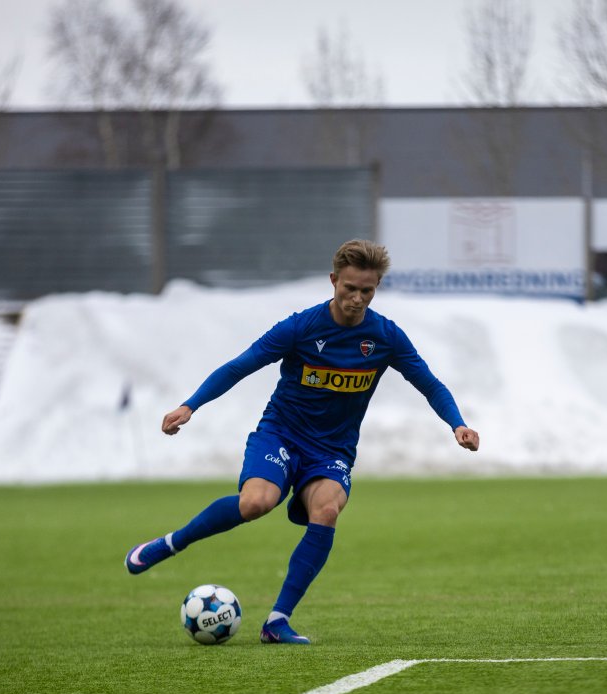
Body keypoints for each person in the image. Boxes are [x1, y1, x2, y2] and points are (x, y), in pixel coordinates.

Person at [125, 239, 480, 644]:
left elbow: (430, 384)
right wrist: (190, 405)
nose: (357, 298)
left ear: (377, 287)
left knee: (326, 510)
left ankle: (277, 621)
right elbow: (240, 366)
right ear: (333, 281)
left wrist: (457, 425)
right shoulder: (300, 328)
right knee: (256, 503)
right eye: (350, 288)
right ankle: (172, 543)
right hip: (281, 434)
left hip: (331, 451)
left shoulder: (386, 337)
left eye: (367, 291)